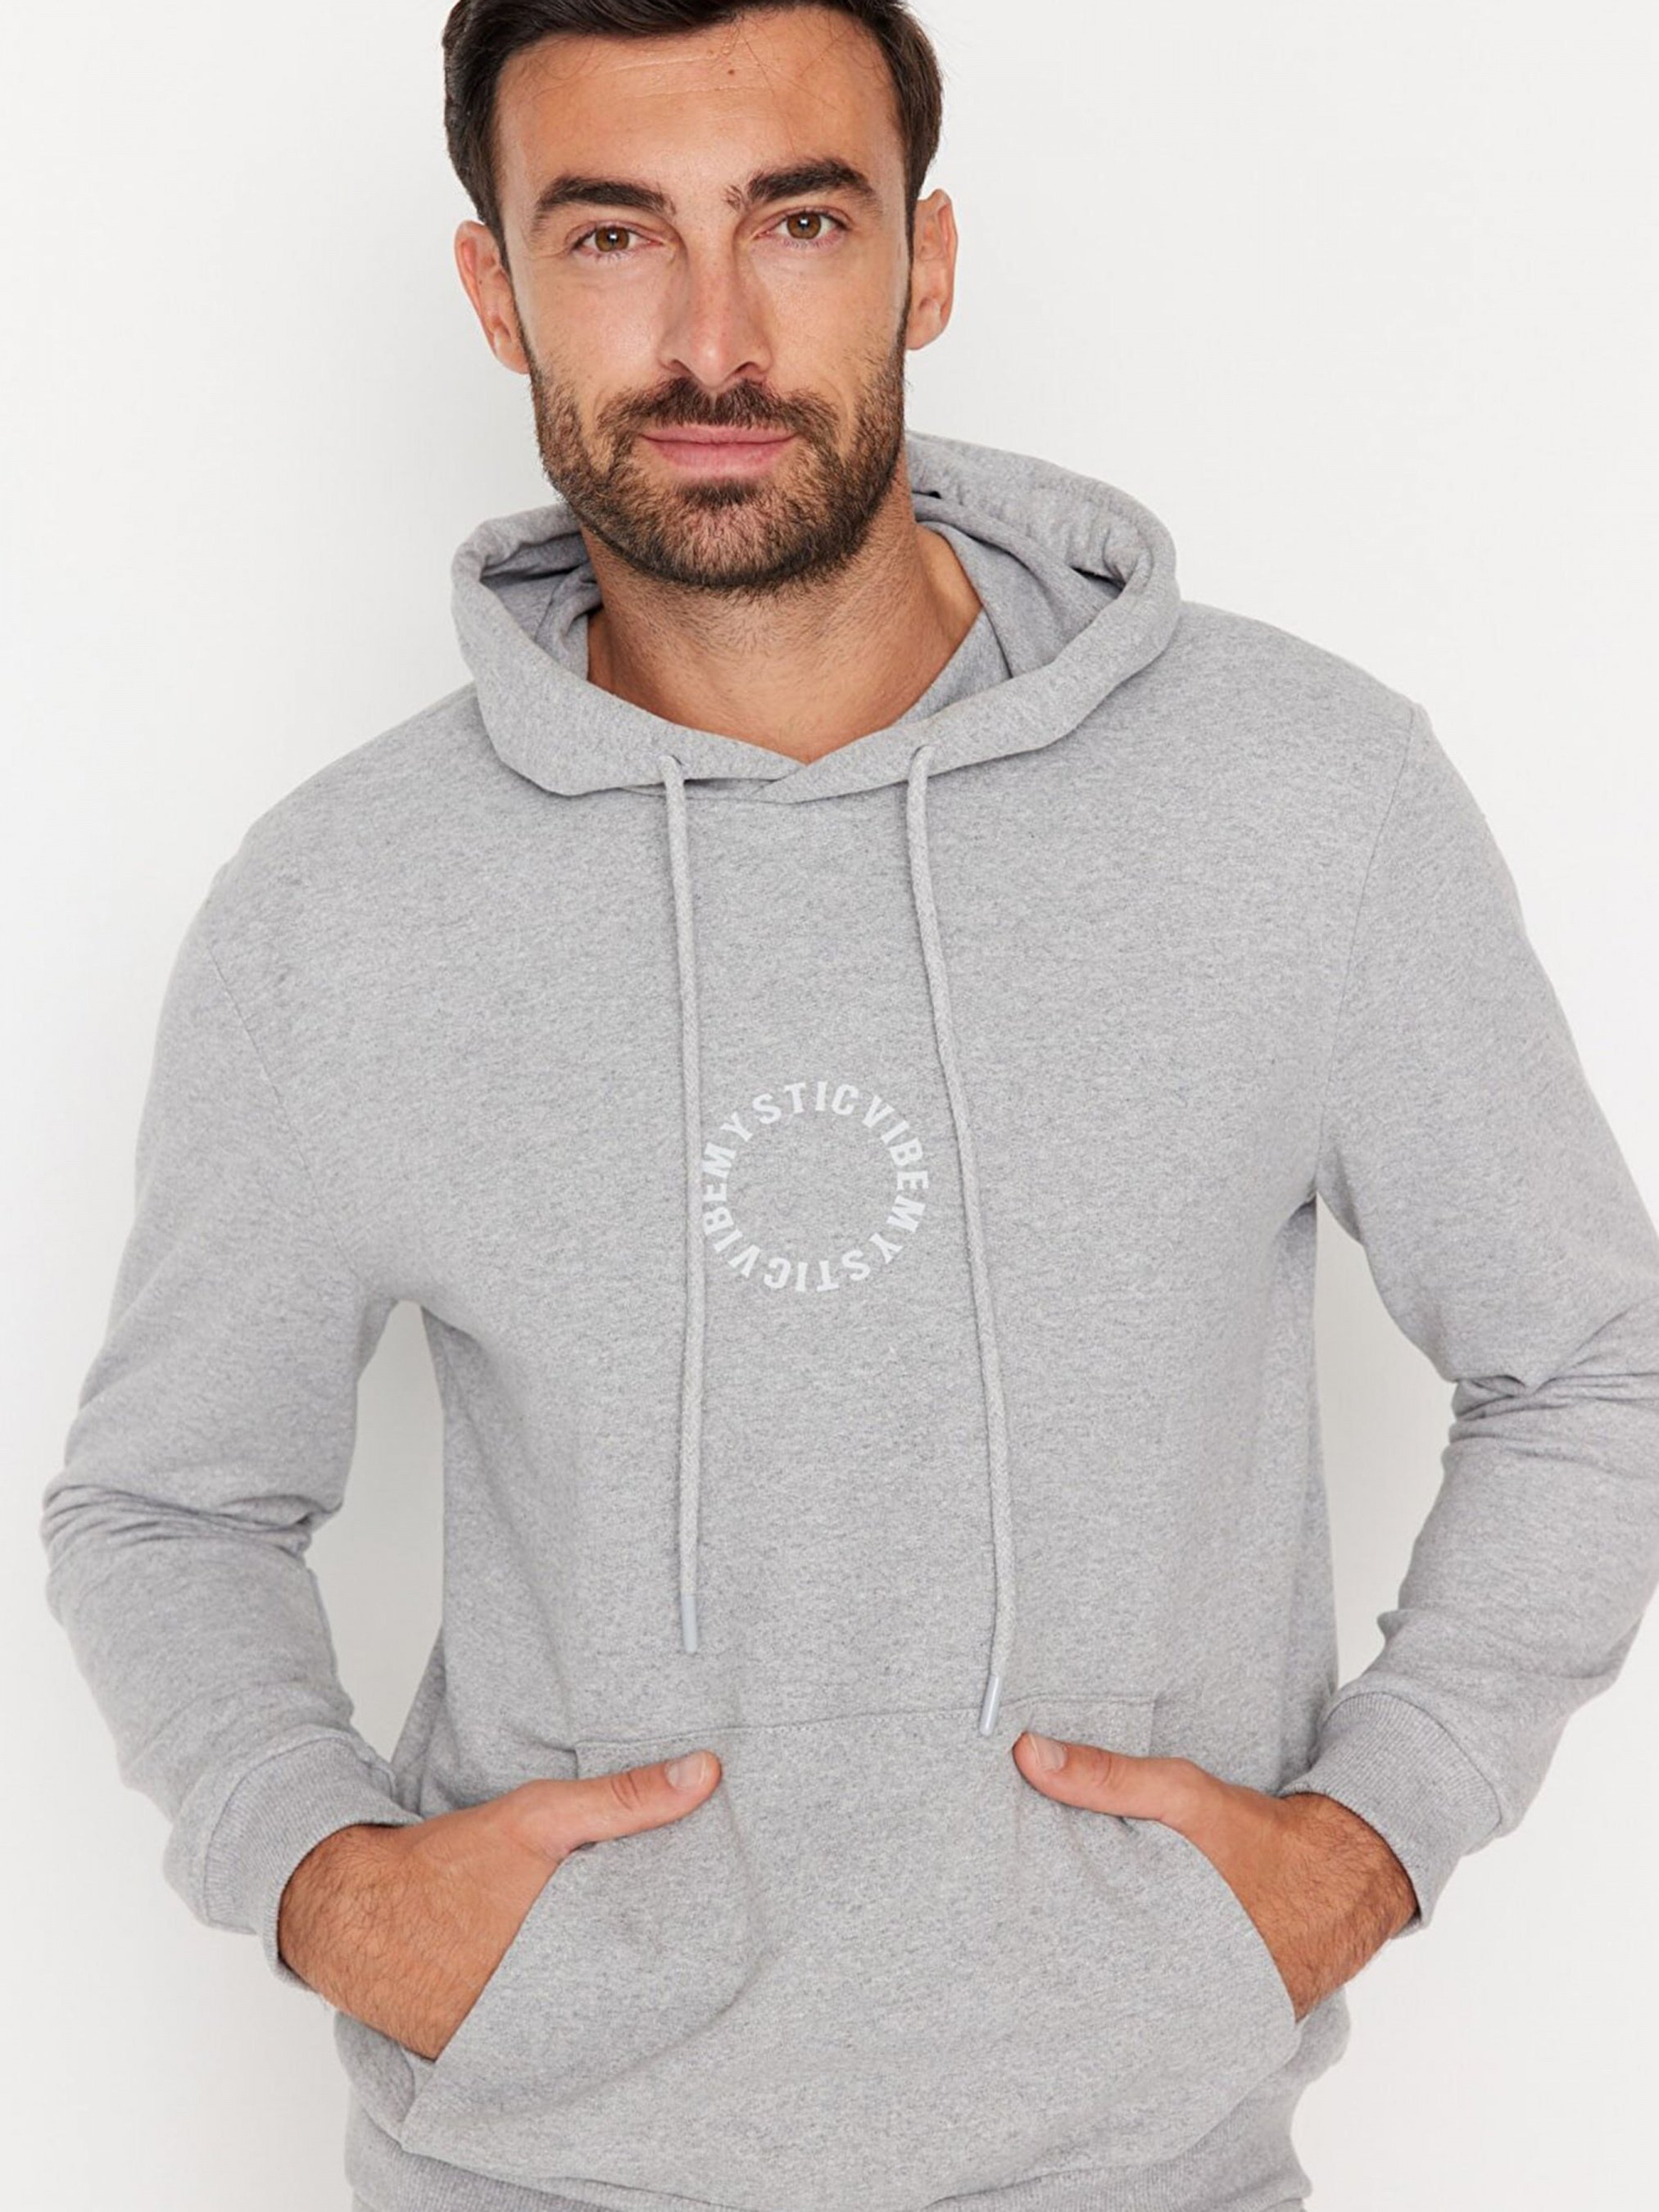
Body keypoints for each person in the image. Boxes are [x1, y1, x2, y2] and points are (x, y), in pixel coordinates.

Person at [39, 4, 1659, 2210]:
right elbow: (167, 1505)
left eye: (796, 223)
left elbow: (1588, 1363)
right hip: (534, 2171)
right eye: (613, 235)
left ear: (926, 261)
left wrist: (1375, 1834)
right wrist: (325, 1880)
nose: (713, 339)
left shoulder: (1303, 801)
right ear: (497, 291)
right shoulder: (341, 905)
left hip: (1148, 2166)